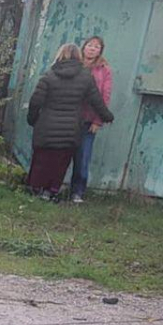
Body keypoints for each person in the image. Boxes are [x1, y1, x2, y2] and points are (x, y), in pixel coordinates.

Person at [27, 43, 113, 201]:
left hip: (46, 127)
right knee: (61, 161)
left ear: (60, 55)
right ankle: (51, 191)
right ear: (79, 56)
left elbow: (35, 101)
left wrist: (32, 120)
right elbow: (97, 101)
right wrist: (107, 116)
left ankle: (34, 188)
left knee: (42, 158)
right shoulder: (86, 77)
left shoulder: (49, 75)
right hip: (70, 129)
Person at [69, 35, 113, 203]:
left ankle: (77, 192)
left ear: (100, 51)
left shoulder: (104, 70)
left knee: (83, 157)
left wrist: (97, 121)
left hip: (89, 121)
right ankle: (53, 188)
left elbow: (104, 97)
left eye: (97, 47)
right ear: (84, 47)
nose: (92, 48)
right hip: (70, 117)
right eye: (90, 45)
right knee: (63, 154)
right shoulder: (74, 64)